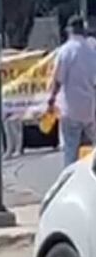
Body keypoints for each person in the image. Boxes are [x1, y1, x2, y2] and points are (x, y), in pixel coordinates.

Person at [47, 15, 96, 167]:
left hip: (70, 107)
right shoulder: (92, 52)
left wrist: (51, 99)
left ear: (69, 30)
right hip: (90, 108)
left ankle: (70, 180)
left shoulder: (65, 51)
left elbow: (58, 79)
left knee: (70, 149)